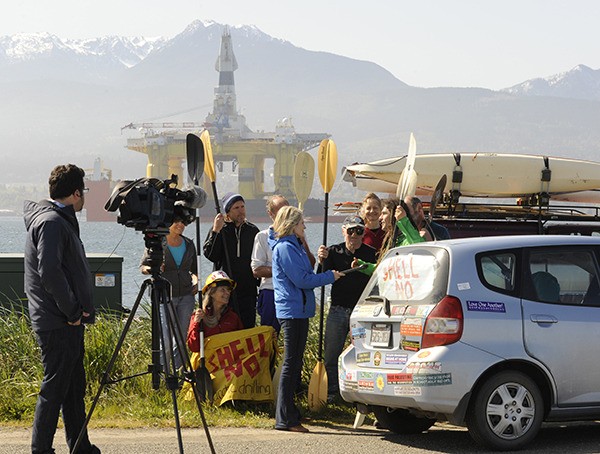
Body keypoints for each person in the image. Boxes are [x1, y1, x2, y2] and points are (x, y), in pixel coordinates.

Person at [23, 164, 100, 454]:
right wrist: (71, 312)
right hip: (58, 322)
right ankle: (40, 449)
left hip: (65, 320)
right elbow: (50, 272)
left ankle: (79, 445)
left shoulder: (56, 219)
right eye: (85, 192)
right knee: (54, 389)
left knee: (72, 388)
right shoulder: (53, 222)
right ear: (76, 192)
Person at [268, 206, 344, 433]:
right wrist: (329, 277)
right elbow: (301, 280)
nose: (305, 226)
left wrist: (323, 272)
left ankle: (290, 413)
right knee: (291, 364)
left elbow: (308, 275)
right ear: (292, 225)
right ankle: (284, 418)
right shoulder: (285, 248)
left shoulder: (296, 246)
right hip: (291, 311)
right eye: (302, 223)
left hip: (298, 310)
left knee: (295, 362)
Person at [318, 215, 377, 403]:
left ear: (364, 232)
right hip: (337, 310)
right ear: (344, 231)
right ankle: (333, 393)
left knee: (362, 355)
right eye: (351, 230)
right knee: (331, 354)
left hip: (361, 313)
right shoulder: (333, 252)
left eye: (359, 231)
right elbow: (320, 276)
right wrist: (321, 260)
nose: (354, 235)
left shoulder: (371, 253)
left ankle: (359, 394)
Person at [140, 208, 197, 369]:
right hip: (165, 295)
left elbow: (194, 270)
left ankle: (179, 375)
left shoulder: (188, 244)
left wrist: (196, 282)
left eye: (183, 222)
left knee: (180, 338)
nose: (180, 225)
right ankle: (164, 375)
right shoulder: (158, 242)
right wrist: (153, 269)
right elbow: (143, 267)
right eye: (176, 221)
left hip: (186, 295)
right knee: (165, 338)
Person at [251, 195, 315, 333]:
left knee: (294, 340)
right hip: (270, 292)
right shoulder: (262, 237)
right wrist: (284, 270)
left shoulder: (299, 235)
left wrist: (303, 243)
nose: (286, 214)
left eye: (287, 209)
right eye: (281, 210)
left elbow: (310, 265)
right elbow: (257, 270)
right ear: (271, 214)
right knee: (269, 338)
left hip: (294, 294)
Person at [203, 192, 260, 329]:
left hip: (247, 290)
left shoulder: (252, 231)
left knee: (247, 327)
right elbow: (210, 254)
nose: (241, 211)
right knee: (226, 328)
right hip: (225, 290)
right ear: (228, 211)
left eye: (242, 207)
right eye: (236, 208)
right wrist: (216, 231)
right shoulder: (220, 230)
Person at [187, 271, 243, 351]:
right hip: (208, 362)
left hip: (229, 363)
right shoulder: (199, 316)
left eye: (228, 290)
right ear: (212, 293)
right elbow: (194, 347)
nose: (227, 293)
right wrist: (196, 323)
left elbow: (242, 343)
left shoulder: (233, 317)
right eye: (222, 290)